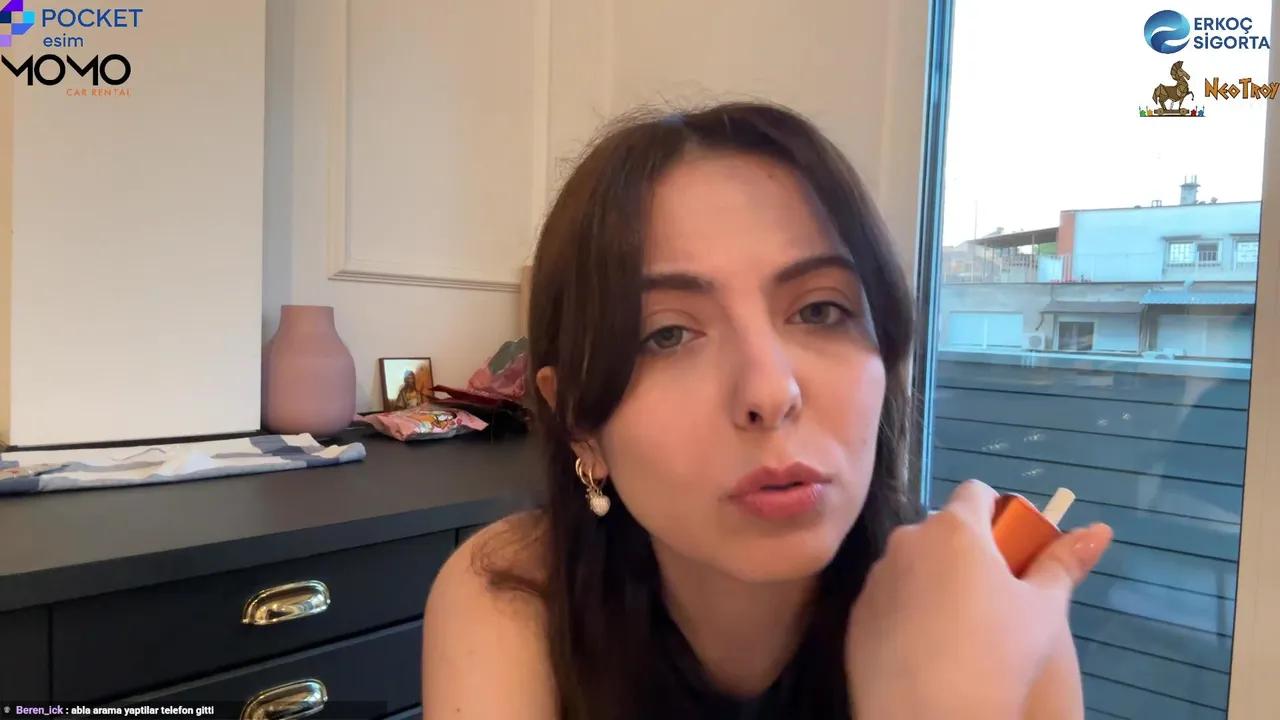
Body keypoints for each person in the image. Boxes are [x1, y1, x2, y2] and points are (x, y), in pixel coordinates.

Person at [421, 101, 1114, 719]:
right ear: (579, 420)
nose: (770, 392)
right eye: (668, 334)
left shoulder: (993, 615)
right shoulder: (514, 594)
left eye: (819, 311)